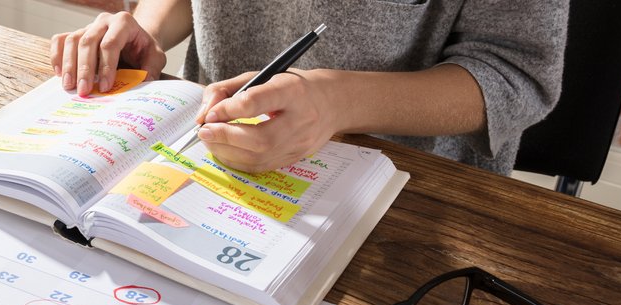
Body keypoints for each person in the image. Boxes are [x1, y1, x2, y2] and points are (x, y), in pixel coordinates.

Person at [48, 0, 568, 175]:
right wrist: (148, 30)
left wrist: (337, 103)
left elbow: (514, 74)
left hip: (406, 188)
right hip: (209, 154)